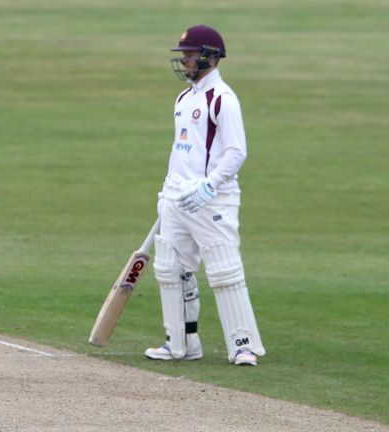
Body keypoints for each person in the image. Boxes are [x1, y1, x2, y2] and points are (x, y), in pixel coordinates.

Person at [144, 25, 266, 366]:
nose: (184, 61)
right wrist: (167, 193)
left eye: (190, 55)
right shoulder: (184, 99)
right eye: (183, 55)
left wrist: (209, 185)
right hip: (177, 199)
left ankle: (244, 345)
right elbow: (182, 150)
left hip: (213, 200)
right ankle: (181, 343)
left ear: (210, 57)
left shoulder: (222, 99)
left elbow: (236, 151)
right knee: (171, 270)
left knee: (224, 272)